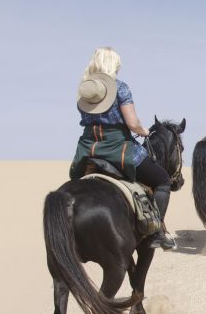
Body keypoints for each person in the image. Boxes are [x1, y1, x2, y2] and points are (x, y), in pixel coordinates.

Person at [69, 47, 175, 250]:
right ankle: (156, 232)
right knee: (162, 181)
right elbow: (132, 123)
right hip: (118, 149)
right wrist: (143, 130)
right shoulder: (121, 88)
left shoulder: (85, 90)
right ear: (112, 65)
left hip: (88, 149)